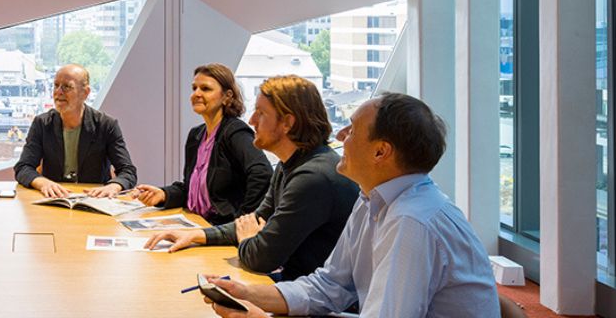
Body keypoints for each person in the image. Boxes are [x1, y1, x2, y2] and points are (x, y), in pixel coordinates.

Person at [203, 92, 500, 318]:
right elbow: (330, 285)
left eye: (353, 129)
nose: (341, 136)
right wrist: (251, 294)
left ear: (381, 152)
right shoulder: (372, 198)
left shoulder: (412, 222)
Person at [144, 75, 359, 281]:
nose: (252, 120)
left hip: (312, 300)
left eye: (261, 113)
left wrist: (247, 237)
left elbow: (261, 258)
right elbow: (256, 220)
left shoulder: (312, 177)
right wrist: (197, 235)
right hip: (297, 287)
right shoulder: (289, 165)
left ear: (287, 123)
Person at [133, 63, 272, 225]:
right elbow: (190, 189)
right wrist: (164, 194)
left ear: (227, 96)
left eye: (205, 89)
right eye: (194, 88)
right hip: (195, 221)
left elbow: (262, 173)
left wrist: (243, 219)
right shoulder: (196, 135)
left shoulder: (235, 132)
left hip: (219, 227)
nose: (196, 94)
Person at [14, 64, 137, 198]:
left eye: (67, 87)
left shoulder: (106, 125)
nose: (58, 92)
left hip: (94, 200)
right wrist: (43, 183)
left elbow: (128, 171)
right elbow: (23, 167)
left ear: (85, 93)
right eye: (56, 85)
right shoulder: (42, 124)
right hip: (55, 200)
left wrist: (114, 186)